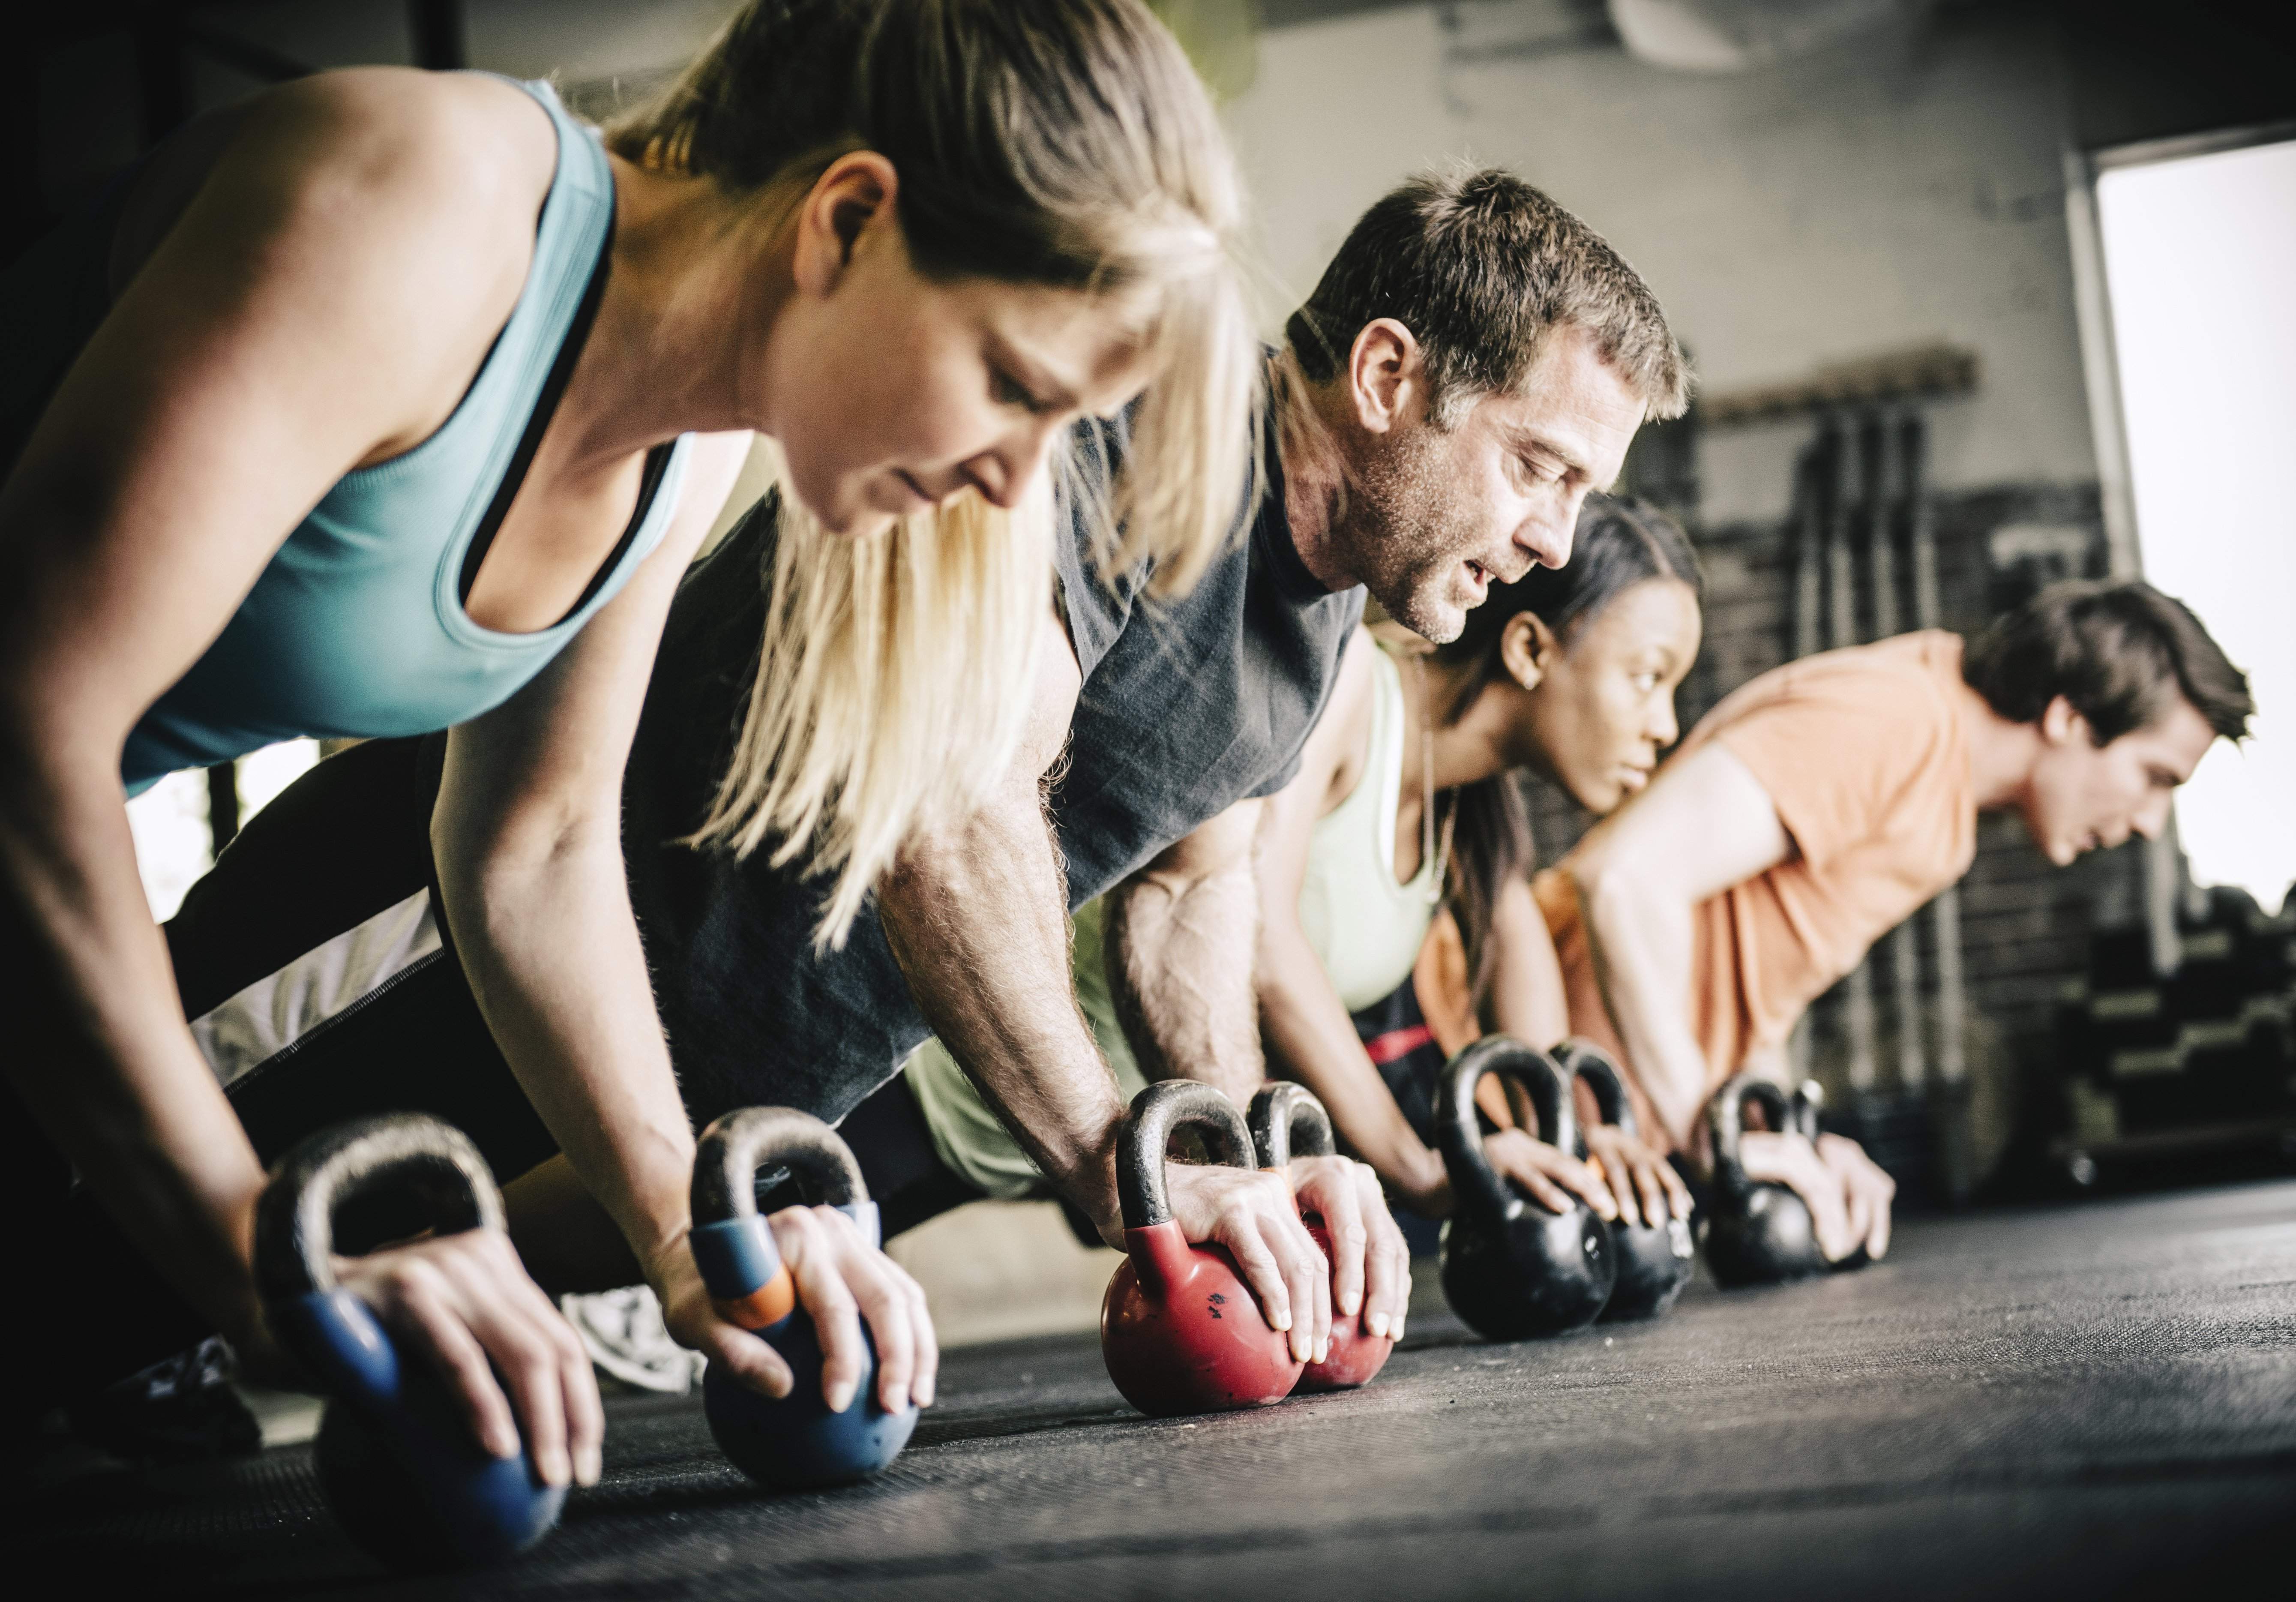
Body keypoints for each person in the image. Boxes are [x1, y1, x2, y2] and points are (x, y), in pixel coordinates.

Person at [151, 166, 1690, 1373]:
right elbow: (950, 808)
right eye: (1539, 466)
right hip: (469, 922)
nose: (1554, 539)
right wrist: (1122, 1167)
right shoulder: (1124, 431)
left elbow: (1191, 892)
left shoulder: (1324, 620)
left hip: (704, 1086)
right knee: (105, 1214)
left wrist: (1222, 1153)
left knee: (224, 1302)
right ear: (1385, 373)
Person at [1, 0, 1259, 1474]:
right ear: (847, 220)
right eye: (1012, 387)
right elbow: (31, 731)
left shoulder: (686, 436)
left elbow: (530, 846)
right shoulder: (422, 208)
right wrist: (250, 1240)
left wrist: (689, 1227)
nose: (1012, 481)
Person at [900, 494, 1703, 1241]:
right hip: (945, 1085)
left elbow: (1519, 969)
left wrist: (1582, 1140)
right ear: (1530, 648)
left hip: (1100, 1148)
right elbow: (1267, 944)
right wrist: (1421, 1166)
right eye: (1647, 677)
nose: (1664, 727)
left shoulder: (1469, 814)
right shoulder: (1352, 684)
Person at [1420, 578, 2254, 1266]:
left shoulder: (1944, 805)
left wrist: (1790, 1134)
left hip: (1586, 1137)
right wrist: (1713, 1137)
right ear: (2071, 718)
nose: (2148, 821)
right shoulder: (1897, 721)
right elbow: (1626, 883)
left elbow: (1752, 986)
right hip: (1464, 1082)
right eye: (2154, 776)